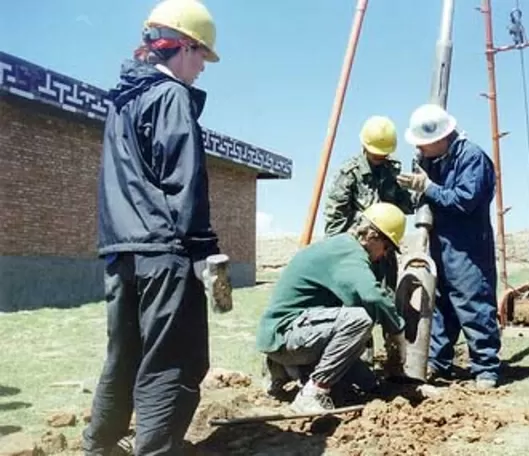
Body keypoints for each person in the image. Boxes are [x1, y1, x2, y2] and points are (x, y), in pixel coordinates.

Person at [83, 0, 222, 454]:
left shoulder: (123, 100)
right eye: (201, 55)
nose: (203, 66)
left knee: (124, 355)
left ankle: (99, 446)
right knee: (173, 359)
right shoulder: (171, 97)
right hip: (164, 251)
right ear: (183, 46)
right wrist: (204, 250)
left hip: (120, 249)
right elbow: (184, 184)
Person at [256, 202, 408, 414]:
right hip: (287, 336)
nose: (384, 255)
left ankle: (286, 369)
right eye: (387, 247)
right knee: (360, 320)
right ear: (373, 235)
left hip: (290, 335)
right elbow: (372, 296)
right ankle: (313, 393)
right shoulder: (350, 253)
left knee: (366, 383)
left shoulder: (341, 247)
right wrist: (398, 332)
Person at [396, 103, 501, 389]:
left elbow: (464, 201)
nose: (419, 149)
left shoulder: (472, 158)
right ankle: (438, 362)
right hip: (440, 243)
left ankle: (486, 368)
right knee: (440, 304)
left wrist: (427, 187)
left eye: (422, 144)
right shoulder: (434, 159)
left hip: (468, 246)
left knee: (472, 301)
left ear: (439, 138)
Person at [323, 115, 417, 289]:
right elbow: (335, 223)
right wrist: (340, 258)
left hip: (386, 253)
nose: (380, 157)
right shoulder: (348, 175)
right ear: (364, 146)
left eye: (384, 154)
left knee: (386, 301)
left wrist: (417, 188)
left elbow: (407, 206)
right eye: (376, 153)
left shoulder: (392, 172)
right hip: (359, 253)